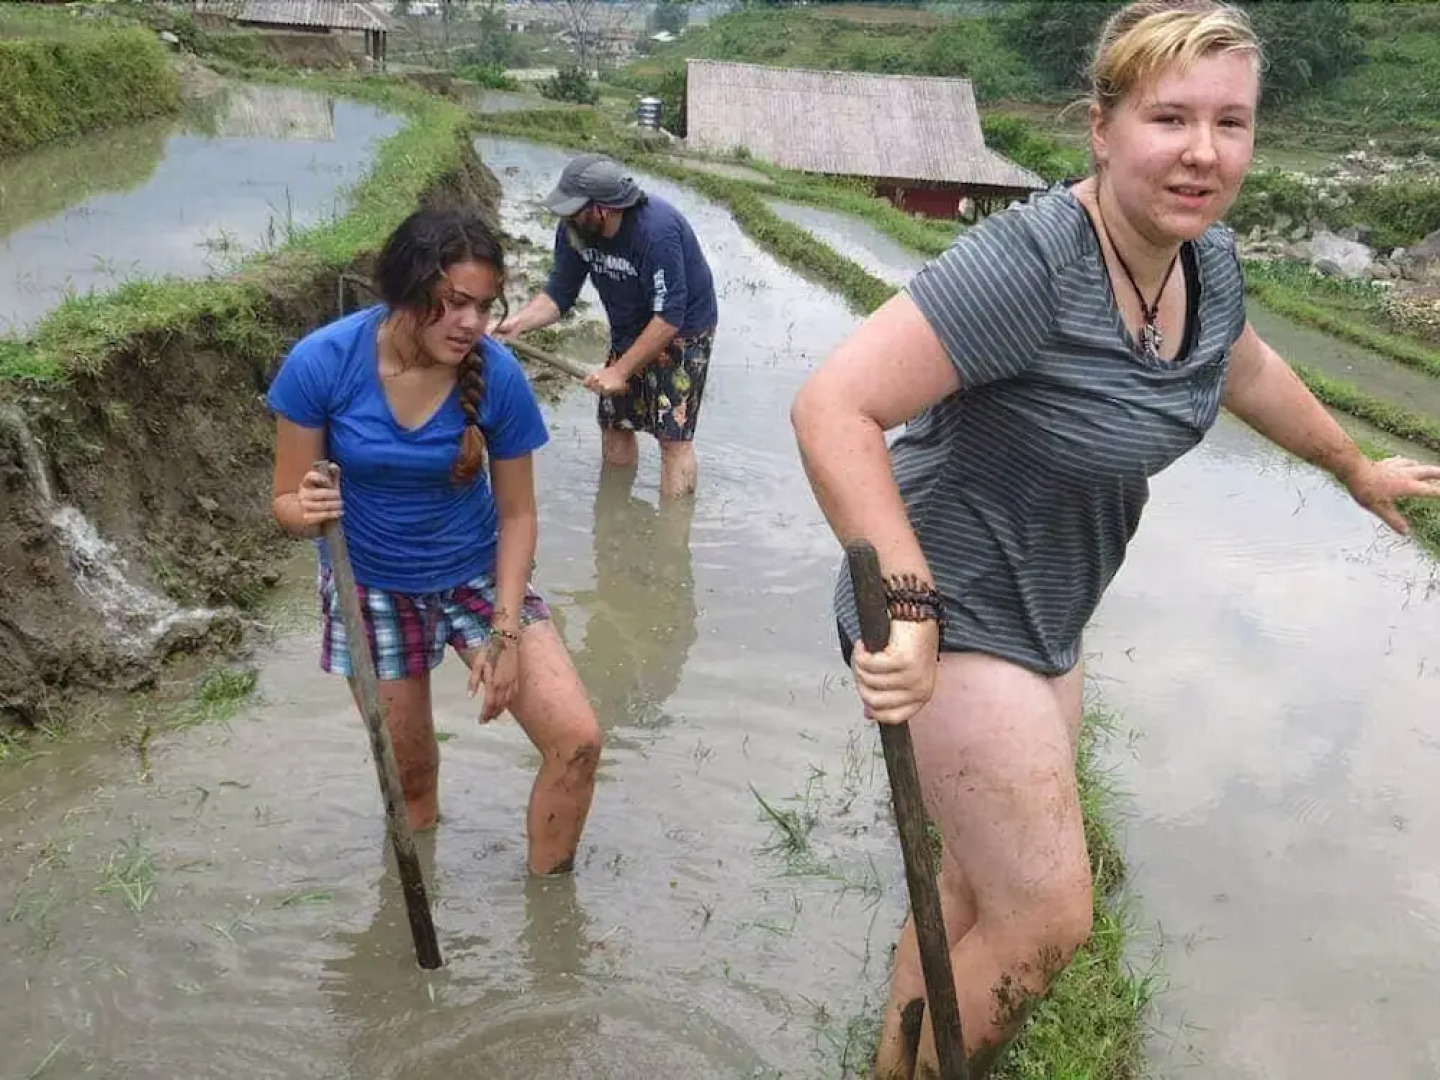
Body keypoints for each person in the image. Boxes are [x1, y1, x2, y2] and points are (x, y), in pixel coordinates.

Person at [790, 1, 1440, 1076]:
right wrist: (907, 606)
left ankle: (890, 1068)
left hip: (1052, 608)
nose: (1202, 151)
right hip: (950, 603)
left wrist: (1353, 465)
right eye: (1169, 117)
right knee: (1047, 920)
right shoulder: (1035, 263)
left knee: (970, 888)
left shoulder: (1205, 266)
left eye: (1231, 124)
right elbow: (833, 408)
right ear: (1102, 127)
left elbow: (1243, 371)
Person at [266, 205, 602, 877]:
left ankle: (549, 931)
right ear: (405, 291)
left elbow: (517, 515)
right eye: (452, 304)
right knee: (411, 780)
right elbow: (284, 505)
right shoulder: (322, 364)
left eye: (483, 305)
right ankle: (411, 906)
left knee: (577, 741)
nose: (472, 323)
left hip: (477, 573)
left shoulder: (496, 375)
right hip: (373, 585)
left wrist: (504, 636)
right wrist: (306, 509)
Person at [495, 153, 719, 500]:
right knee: (616, 422)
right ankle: (615, 512)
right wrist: (517, 324)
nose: (566, 216)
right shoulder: (575, 230)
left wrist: (621, 370)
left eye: (575, 208)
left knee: (672, 438)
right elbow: (560, 293)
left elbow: (668, 317)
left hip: (682, 331)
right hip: (629, 325)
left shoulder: (655, 232)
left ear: (605, 208)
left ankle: (673, 539)